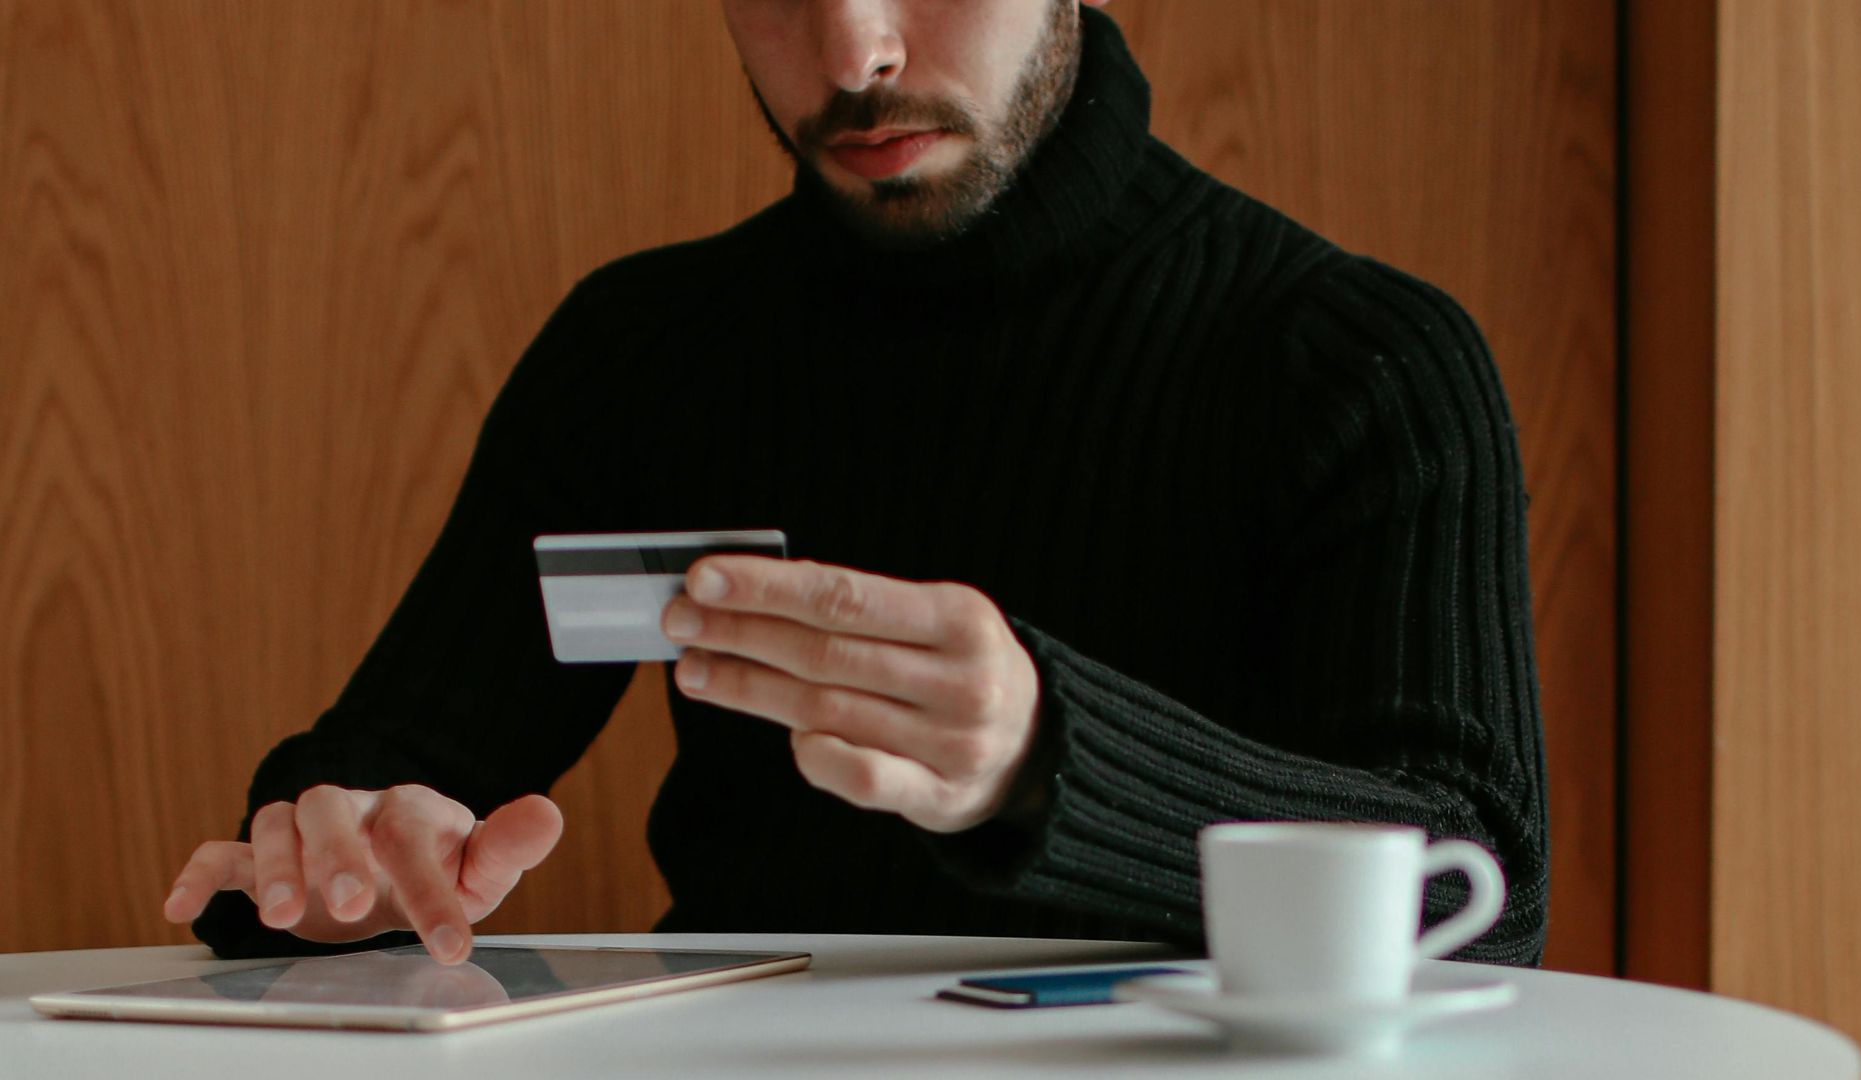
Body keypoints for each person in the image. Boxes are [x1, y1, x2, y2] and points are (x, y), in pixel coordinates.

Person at [167, 0, 1550, 968]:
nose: (853, 50)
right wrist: (336, 866)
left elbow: (1480, 888)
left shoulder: (1360, 363)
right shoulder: (640, 357)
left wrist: (1042, 757)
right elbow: (395, 766)